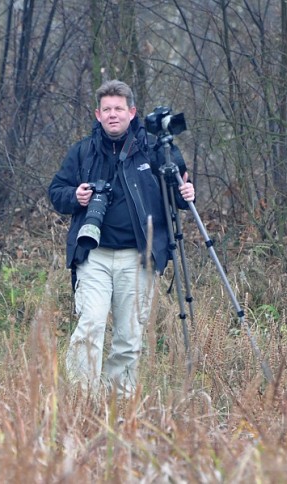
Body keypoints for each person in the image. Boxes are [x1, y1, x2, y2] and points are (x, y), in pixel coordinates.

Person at [48, 80, 195, 396]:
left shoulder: (156, 149)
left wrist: (187, 192)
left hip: (139, 256)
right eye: (107, 109)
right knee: (90, 326)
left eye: (118, 109)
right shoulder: (83, 151)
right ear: (98, 114)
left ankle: (118, 404)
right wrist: (76, 196)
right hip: (93, 255)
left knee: (130, 337)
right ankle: (81, 399)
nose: (113, 115)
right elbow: (56, 193)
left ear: (132, 112)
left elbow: (180, 196)